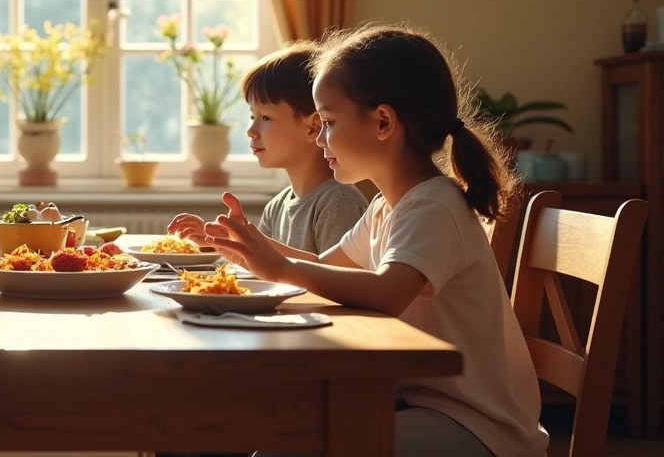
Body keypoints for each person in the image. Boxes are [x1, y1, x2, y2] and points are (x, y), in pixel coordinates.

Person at [205, 26, 548, 457]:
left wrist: (280, 267)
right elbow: (325, 267)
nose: (320, 138)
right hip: (423, 406)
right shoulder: (389, 206)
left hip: (477, 426)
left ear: (384, 122)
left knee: (289, 446)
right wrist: (251, 245)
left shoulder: (433, 207)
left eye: (328, 123)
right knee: (278, 437)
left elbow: (388, 293)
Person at [168, 42, 368, 256]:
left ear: (313, 127)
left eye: (265, 117)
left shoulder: (338, 204)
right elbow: (263, 270)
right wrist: (219, 241)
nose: (251, 131)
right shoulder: (276, 206)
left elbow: (337, 281)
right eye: (252, 116)